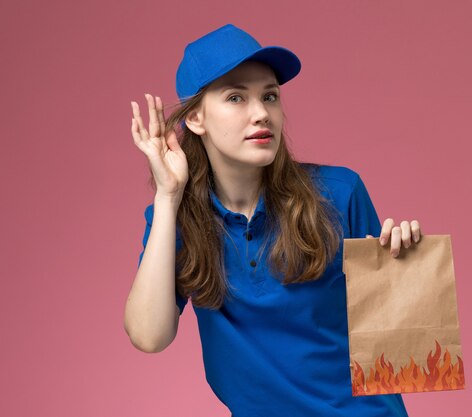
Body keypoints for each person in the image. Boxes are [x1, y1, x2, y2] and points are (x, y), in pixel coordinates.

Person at [124, 23, 421, 417]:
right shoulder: (176, 219)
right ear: (196, 119)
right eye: (236, 98)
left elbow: (397, 347)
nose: (262, 113)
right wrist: (166, 197)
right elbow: (149, 336)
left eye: (270, 95)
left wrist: (404, 269)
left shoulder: (340, 192)